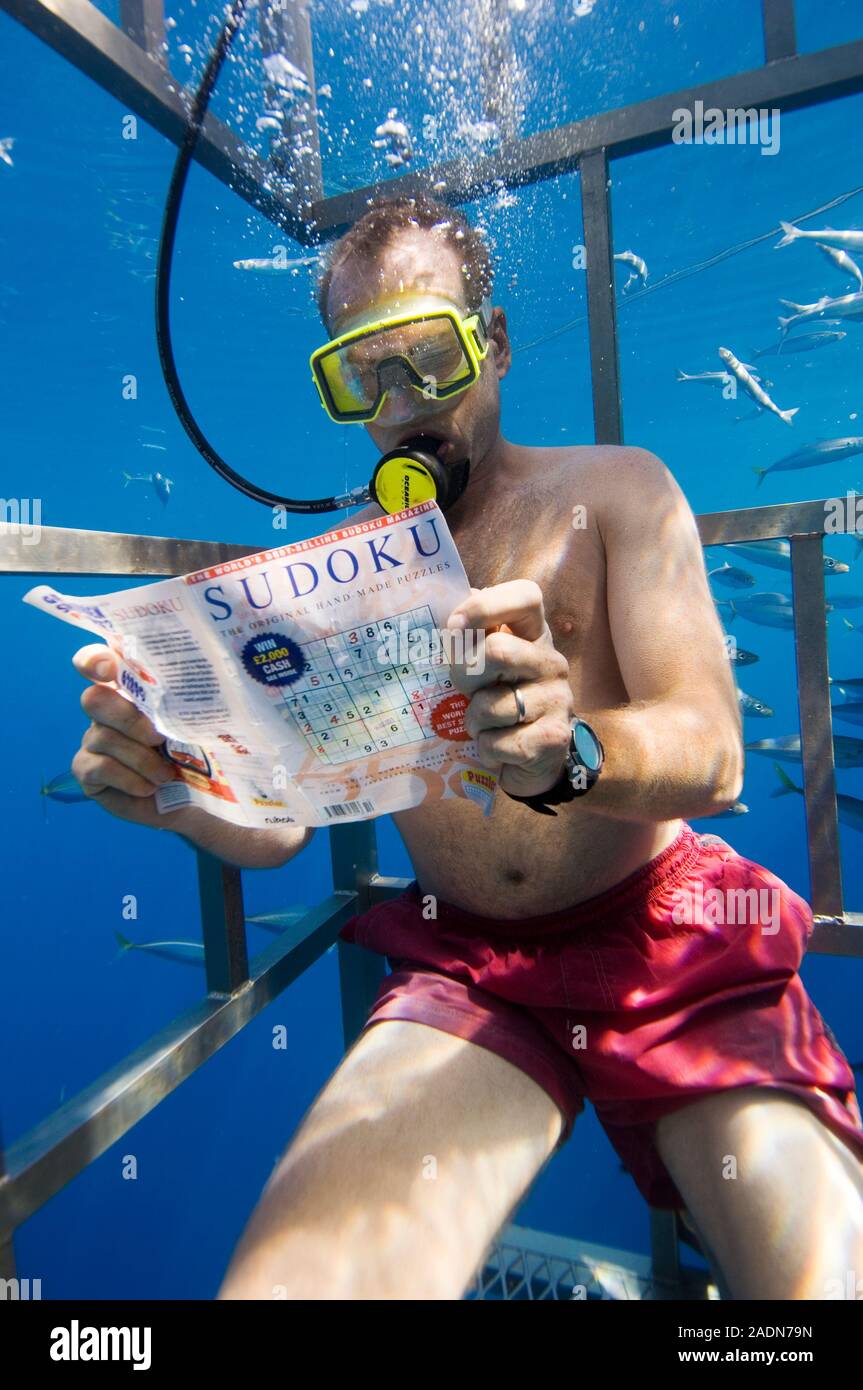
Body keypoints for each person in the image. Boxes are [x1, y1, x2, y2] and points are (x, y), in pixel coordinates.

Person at [71, 193, 863, 1301]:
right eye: (363, 374)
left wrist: (571, 752)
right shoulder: (334, 575)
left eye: (429, 358)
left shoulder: (616, 491)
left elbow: (716, 750)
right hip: (470, 961)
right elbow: (283, 827)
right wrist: (172, 787)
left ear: (489, 345)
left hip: (667, 938)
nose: (402, 405)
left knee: (822, 1289)